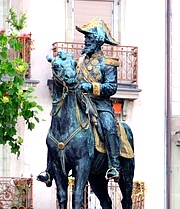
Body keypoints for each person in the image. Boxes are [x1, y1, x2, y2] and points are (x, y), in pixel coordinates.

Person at [38, 18, 120, 185]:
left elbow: (111, 87)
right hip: (79, 101)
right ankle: (49, 170)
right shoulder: (79, 62)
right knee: (57, 126)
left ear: (97, 40)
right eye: (86, 38)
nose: (86, 41)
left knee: (108, 125)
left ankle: (113, 166)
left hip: (99, 104)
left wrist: (89, 87)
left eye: (89, 38)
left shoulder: (108, 63)